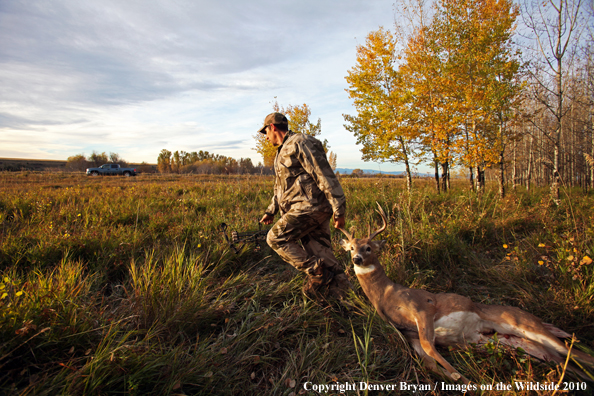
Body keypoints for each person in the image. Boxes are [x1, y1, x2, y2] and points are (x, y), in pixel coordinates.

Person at [258, 112, 352, 299]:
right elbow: (281, 186)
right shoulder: (282, 150)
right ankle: (346, 298)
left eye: (265, 132)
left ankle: (317, 272)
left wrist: (338, 209)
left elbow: (323, 175)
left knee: (275, 239)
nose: (266, 137)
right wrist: (271, 210)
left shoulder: (300, 142)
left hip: (309, 208)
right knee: (322, 252)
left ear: (273, 127)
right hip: (303, 209)